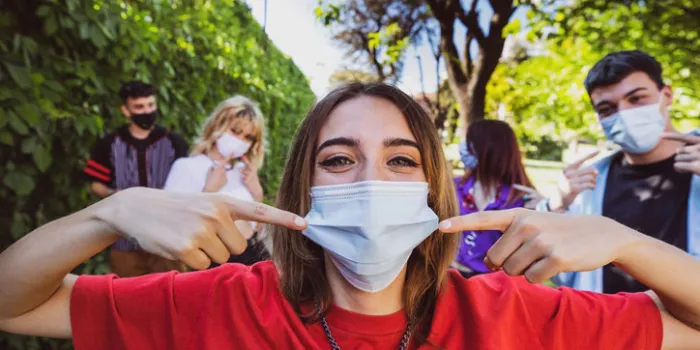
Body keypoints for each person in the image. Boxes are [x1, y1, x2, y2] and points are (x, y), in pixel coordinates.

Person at [1, 82, 700, 349]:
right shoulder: (220, 304)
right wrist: (109, 214)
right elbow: (13, 305)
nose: (370, 178)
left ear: (434, 187)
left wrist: (621, 240)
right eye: (338, 160)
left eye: (401, 160)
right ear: (300, 190)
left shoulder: (512, 316)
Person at [536, 50, 700, 294]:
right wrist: (556, 207)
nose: (623, 114)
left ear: (666, 95)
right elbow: (561, 273)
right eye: (607, 108)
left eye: (636, 99)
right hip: (613, 324)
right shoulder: (588, 184)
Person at [82, 80, 189, 277]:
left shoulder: (174, 142)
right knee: (127, 296)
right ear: (126, 110)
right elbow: (96, 185)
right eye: (139, 107)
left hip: (167, 236)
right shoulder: (109, 143)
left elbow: (188, 183)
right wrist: (116, 194)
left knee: (173, 291)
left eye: (150, 105)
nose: (146, 111)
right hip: (123, 235)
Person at [164, 96, 268, 266]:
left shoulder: (243, 171)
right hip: (217, 264)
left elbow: (256, 229)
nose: (240, 140)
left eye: (248, 137)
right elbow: (174, 229)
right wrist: (209, 191)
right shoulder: (186, 167)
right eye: (235, 131)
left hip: (256, 255)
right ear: (217, 126)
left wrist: (257, 194)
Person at [452, 120, 537, 278]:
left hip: (493, 284)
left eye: (469, 142)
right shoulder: (454, 188)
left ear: (488, 148)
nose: (462, 147)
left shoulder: (519, 199)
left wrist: (545, 210)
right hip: (451, 275)